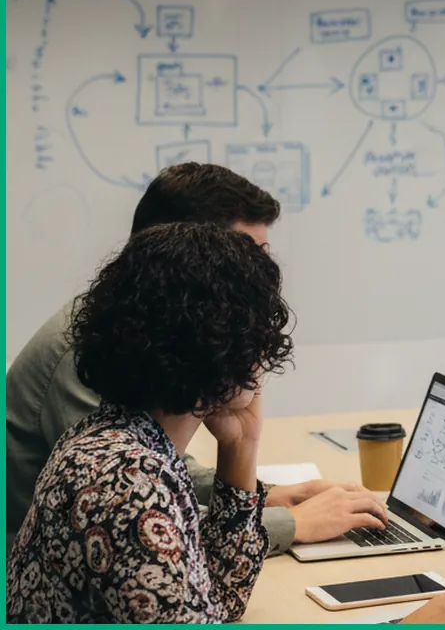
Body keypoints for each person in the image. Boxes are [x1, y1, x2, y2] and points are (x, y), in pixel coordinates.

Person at [6, 163, 387, 556]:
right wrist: (293, 523)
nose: (262, 280)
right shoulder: (89, 351)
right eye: (247, 259)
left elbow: (163, 469)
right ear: (188, 257)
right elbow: (142, 516)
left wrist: (265, 494)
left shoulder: (120, 329)